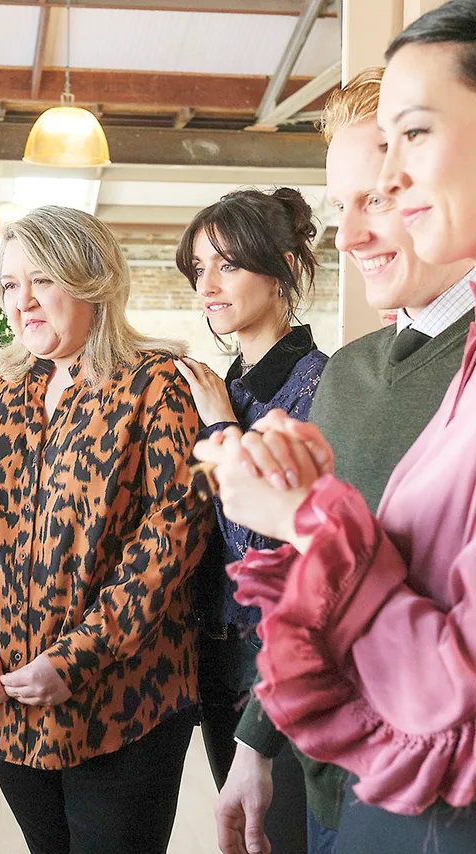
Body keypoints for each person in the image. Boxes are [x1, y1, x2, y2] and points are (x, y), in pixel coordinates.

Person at [195, 3, 476, 849]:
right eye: (341, 204)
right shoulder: (353, 373)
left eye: (382, 196)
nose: (352, 233)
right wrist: (256, 741)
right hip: (336, 783)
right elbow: (312, 582)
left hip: (433, 791)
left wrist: (290, 511)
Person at [0, 205, 213, 854]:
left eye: (41, 280)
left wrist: (80, 655)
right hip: (12, 699)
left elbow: (173, 534)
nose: (21, 300)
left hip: (124, 702)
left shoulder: (154, 383)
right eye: (8, 284)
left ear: (92, 280)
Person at [173, 187, 327, 854]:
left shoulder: (319, 385)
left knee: (281, 838)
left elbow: (267, 550)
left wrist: (220, 430)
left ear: (283, 267)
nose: (206, 285)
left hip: (281, 672)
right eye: (198, 267)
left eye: (227, 265)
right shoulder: (225, 384)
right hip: (214, 663)